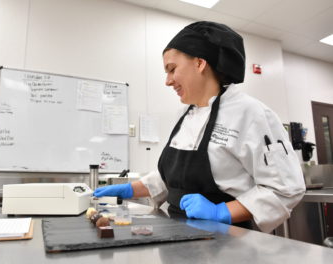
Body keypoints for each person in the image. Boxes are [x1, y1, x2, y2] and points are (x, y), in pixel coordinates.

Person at [93, 21, 305, 233]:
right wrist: (129, 189)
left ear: (200, 63)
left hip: (230, 240)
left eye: (172, 69)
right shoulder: (185, 114)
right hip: (178, 233)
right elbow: (171, 178)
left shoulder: (251, 113)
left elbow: (285, 189)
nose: (167, 81)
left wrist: (220, 211)